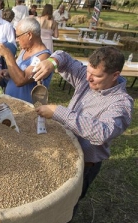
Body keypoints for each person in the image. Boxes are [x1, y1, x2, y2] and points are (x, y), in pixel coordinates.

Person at [32, 46, 133, 222]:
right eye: (88, 71)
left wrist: (58, 112)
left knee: (67, 204)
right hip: (64, 152)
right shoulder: (88, 77)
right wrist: (52, 62)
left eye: (96, 76)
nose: (88, 78)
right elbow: (64, 56)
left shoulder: (121, 104)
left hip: (85, 164)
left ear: (115, 75)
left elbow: (102, 132)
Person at [0, 17, 51, 103]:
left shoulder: (43, 57)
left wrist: (8, 55)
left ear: (29, 35)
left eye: (18, 36)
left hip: (27, 110)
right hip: (13, 105)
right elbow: (19, 70)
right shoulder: (24, 50)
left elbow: (20, 80)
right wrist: (8, 72)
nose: (16, 40)